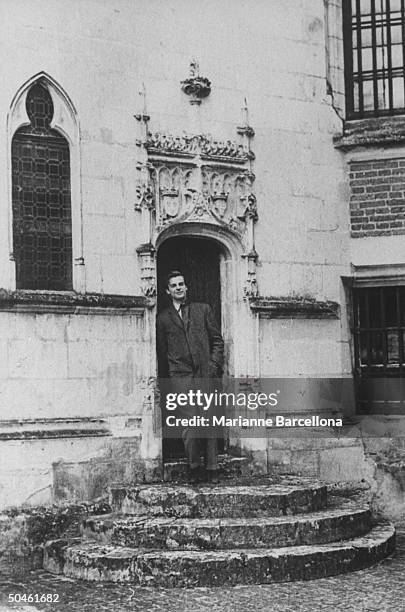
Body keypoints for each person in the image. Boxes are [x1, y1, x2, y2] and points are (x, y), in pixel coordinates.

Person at [157, 270, 224, 484]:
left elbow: (217, 341)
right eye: (174, 285)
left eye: (181, 284)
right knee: (190, 424)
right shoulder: (163, 319)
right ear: (168, 291)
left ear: (186, 287)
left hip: (205, 375)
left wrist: (213, 366)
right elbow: (162, 352)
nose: (178, 288)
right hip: (181, 379)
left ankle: (213, 467)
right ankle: (194, 466)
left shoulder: (203, 310)